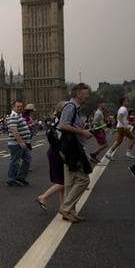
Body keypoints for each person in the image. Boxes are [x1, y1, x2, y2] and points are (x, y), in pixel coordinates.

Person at [57, 83, 94, 222]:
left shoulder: (75, 109)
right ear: (78, 93)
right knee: (84, 180)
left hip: (71, 148)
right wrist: (82, 132)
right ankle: (66, 208)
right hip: (72, 149)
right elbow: (62, 125)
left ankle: (70, 212)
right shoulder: (70, 107)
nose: (88, 96)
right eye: (86, 94)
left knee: (70, 182)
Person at [36, 102, 66, 211]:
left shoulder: (55, 119)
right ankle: (43, 197)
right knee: (64, 182)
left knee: (60, 180)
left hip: (54, 151)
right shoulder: (61, 119)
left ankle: (63, 206)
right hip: (57, 152)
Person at [6, 99, 32, 186]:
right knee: (15, 161)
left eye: (21, 106)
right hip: (16, 144)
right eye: (18, 106)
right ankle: (11, 179)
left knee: (28, 159)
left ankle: (20, 177)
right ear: (13, 107)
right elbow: (14, 130)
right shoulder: (13, 116)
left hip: (22, 143)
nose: (20, 108)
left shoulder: (19, 115)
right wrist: (21, 142)